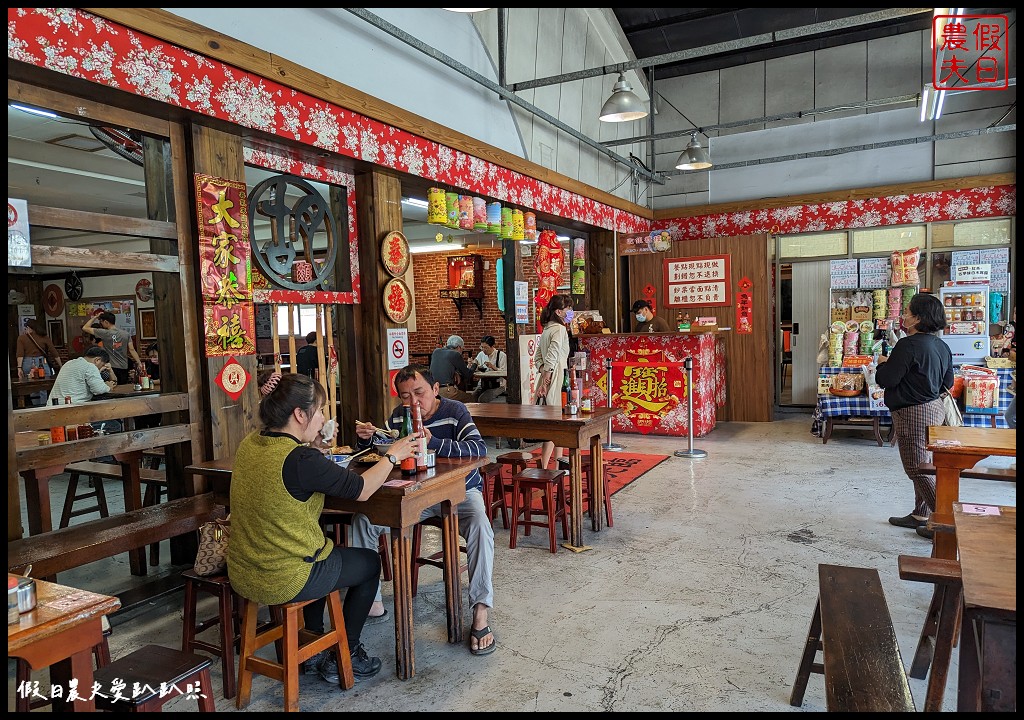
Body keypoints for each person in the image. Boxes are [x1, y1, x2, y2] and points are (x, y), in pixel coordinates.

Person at [228, 370, 421, 683]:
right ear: (299, 414)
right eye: (318, 411)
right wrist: (392, 457)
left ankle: (312, 644)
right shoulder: (301, 460)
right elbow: (361, 490)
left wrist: (313, 440)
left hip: (245, 571)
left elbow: (298, 472)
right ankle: (346, 652)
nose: (322, 418)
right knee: (368, 563)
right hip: (284, 577)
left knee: (323, 553)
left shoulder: (251, 444)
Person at [349, 364, 496, 655]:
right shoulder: (398, 417)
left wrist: (435, 443)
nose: (413, 402)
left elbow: (479, 450)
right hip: (415, 495)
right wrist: (366, 440)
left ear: (435, 390)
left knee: (480, 523)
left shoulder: (455, 412)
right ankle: (371, 600)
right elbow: (384, 452)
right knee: (363, 520)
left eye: (419, 393)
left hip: (459, 492)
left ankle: (481, 610)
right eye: (405, 396)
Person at [875, 293, 954, 540]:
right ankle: (920, 514)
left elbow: (887, 379)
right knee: (925, 464)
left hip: (912, 413)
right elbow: (948, 382)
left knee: (916, 468)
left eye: (907, 312)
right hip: (934, 409)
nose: (904, 316)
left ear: (918, 318)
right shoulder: (941, 346)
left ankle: (946, 520)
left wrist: (882, 364)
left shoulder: (907, 345)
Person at [534, 294, 573, 470]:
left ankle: (544, 465)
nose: (571, 312)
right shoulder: (559, 329)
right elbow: (553, 354)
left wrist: (543, 374)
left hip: (546, 376)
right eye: (568, 309)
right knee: (559, 425)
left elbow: (538, 358)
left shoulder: (547, 329)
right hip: (556, 377)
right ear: (559, 311)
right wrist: (548, 376)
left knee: (550, 427)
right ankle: (557, 467)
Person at [83, 311, 143, 386]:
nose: (101, 324)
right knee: (123, 388)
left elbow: (85, 327)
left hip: (111, 367)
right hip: (124, 366)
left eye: (101, 322)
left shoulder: (104, 333)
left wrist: (95, 317)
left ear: (106, 322)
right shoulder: (126, 334)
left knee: (112, 387)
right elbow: (132, 350)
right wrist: (139, 363)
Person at [46, 346, 116, 405]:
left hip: (53, 405)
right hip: (72, 409)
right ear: (97, 360)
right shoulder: (90, 366)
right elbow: (99, 390)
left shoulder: (69, 363)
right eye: (102, 364)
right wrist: (108, 387)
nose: (102, 367)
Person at [16, 318, 62, 405]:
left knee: (32, 386)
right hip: (42, 362)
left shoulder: (21, 338)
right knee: (43, 386)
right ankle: (43, 405)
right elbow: (54, 352)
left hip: (27, 363)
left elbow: (20, 354)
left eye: (26, 328)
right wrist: (60, 365)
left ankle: (35, 405)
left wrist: (19, 368)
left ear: (29, 328)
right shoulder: (44, 337)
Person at [429, 335, 476, 403]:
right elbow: (467, 375)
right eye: (462, 349)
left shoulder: (436, 352)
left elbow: (444, 367)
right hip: (446, 390)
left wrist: (455, 373)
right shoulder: (455, 354)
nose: (461, 352)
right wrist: (475, 364)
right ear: (459, 347)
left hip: (433, 390)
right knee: (470, 398)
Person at [474, 335, 507, 403]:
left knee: (482, 399)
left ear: (492, 346)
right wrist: (472, 364)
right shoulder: (481, 354)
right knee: (472, 397)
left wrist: (493, 367)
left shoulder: (501, 355)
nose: (483, 350)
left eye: (486, 347)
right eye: (482, 347)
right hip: (483, 384)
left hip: (498, 385)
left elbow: (505, 372)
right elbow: (475, 365)